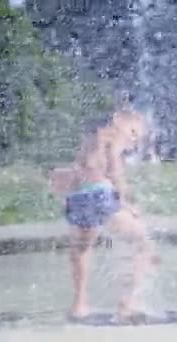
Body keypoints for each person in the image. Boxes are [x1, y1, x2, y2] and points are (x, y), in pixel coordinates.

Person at [49, 95, 159, 321]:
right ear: (122, 122)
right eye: (135, 133)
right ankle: (128, 304)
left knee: (81, 249)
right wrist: (126, 201)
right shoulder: (114, 134)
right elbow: (113, 166)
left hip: (77, 197)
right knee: (143, 244)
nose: (135, 141)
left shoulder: (91, 136)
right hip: (100, 193)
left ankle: (79, 305)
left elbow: (81, 168)